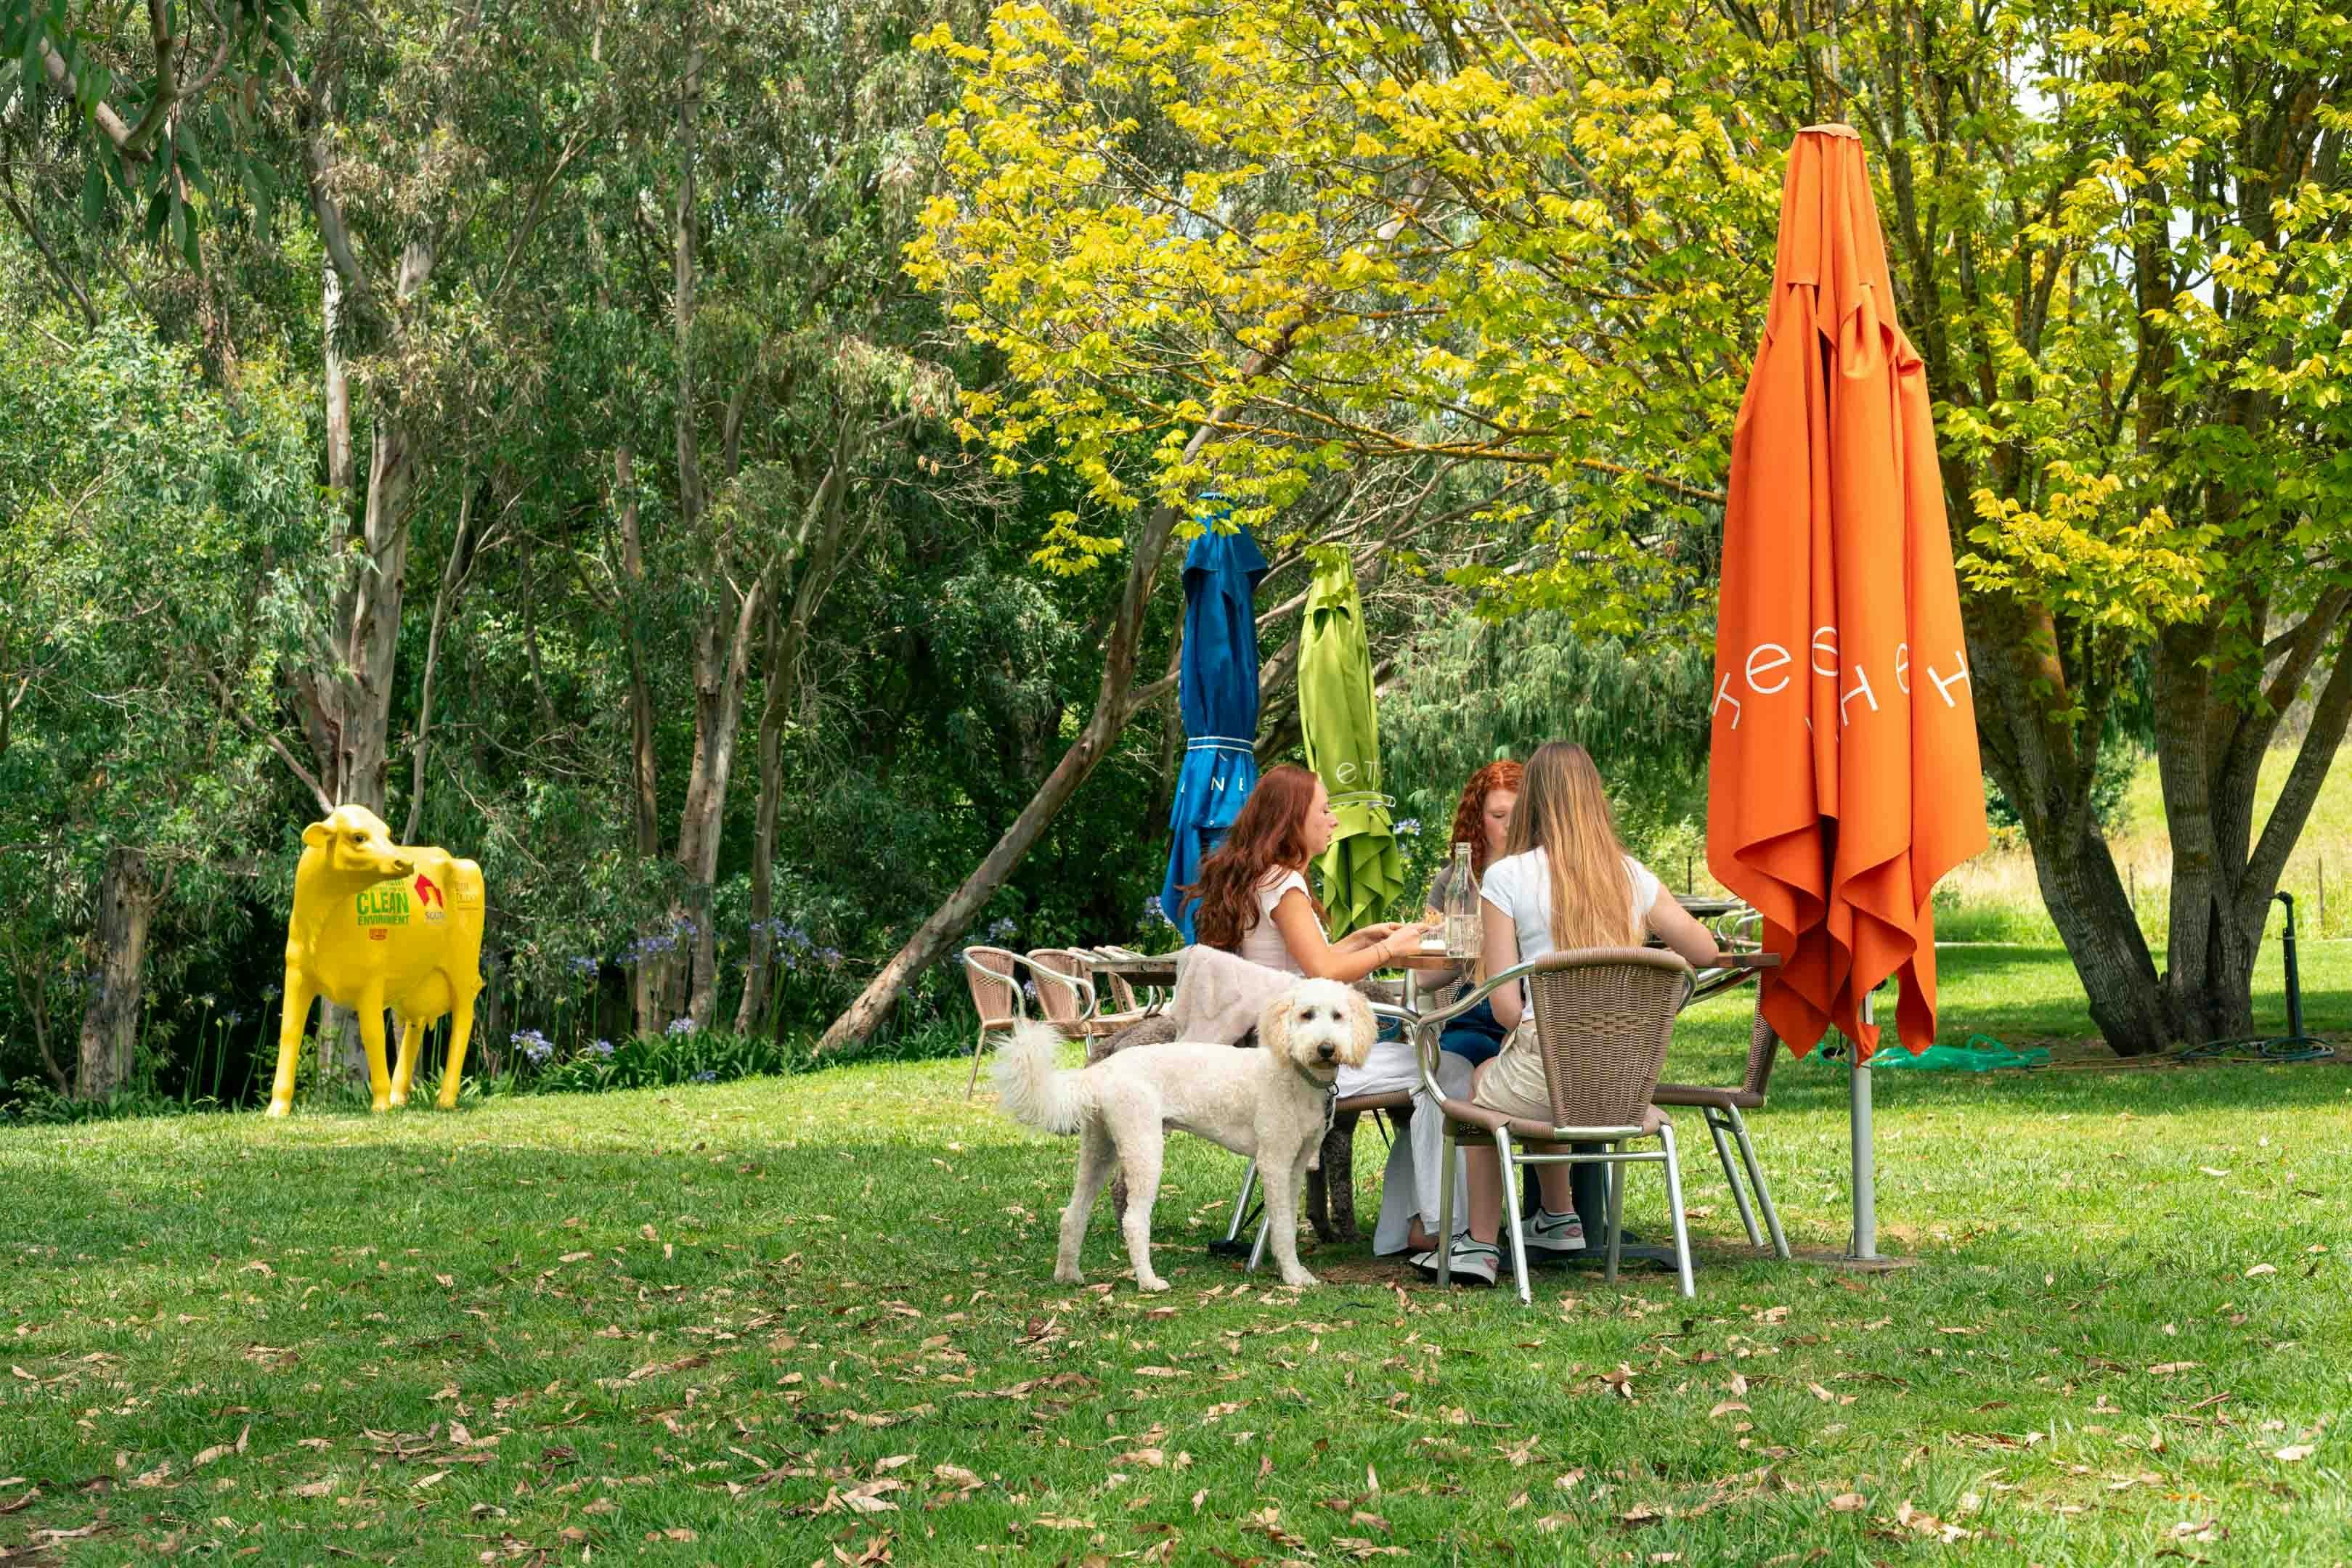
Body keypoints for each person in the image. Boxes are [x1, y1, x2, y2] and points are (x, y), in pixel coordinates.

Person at [1414, 741, 1721, 1286]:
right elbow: (1703, 954)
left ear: (1531, 800)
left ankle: (1478, 1245)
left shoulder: (1506, 878)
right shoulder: (1633, 876)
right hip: (1625, 1083)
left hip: (1547, 1071)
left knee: (1481, 1091)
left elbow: (1506, 1008)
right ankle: (1557, 1218)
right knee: (1514, 1077)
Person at [1184, 764, 1455, 1255]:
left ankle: (1408, 1225)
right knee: (1444, 1072)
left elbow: (1303, 967)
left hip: (1271, 1052)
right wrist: (1392, 949)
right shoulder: (1285, 883)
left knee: (1438, 1073)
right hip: (1301, 1064)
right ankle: (1429, 1225)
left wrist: (1361, 939)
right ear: (1293, 819)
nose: (1332, 820)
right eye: (1324, 809)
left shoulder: (1260, 877)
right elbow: (1323, 970)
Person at [1406, 760, 1524, 1066]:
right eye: (1499, 816)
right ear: (1478, 819)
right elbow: (1426, 975)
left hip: (1534, 1014)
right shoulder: (1453, 882)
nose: (1511, 825)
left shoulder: (1548, 876)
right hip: (1476, 1010)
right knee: (1445, 1067)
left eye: (1520, 815)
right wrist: (1475, 941)